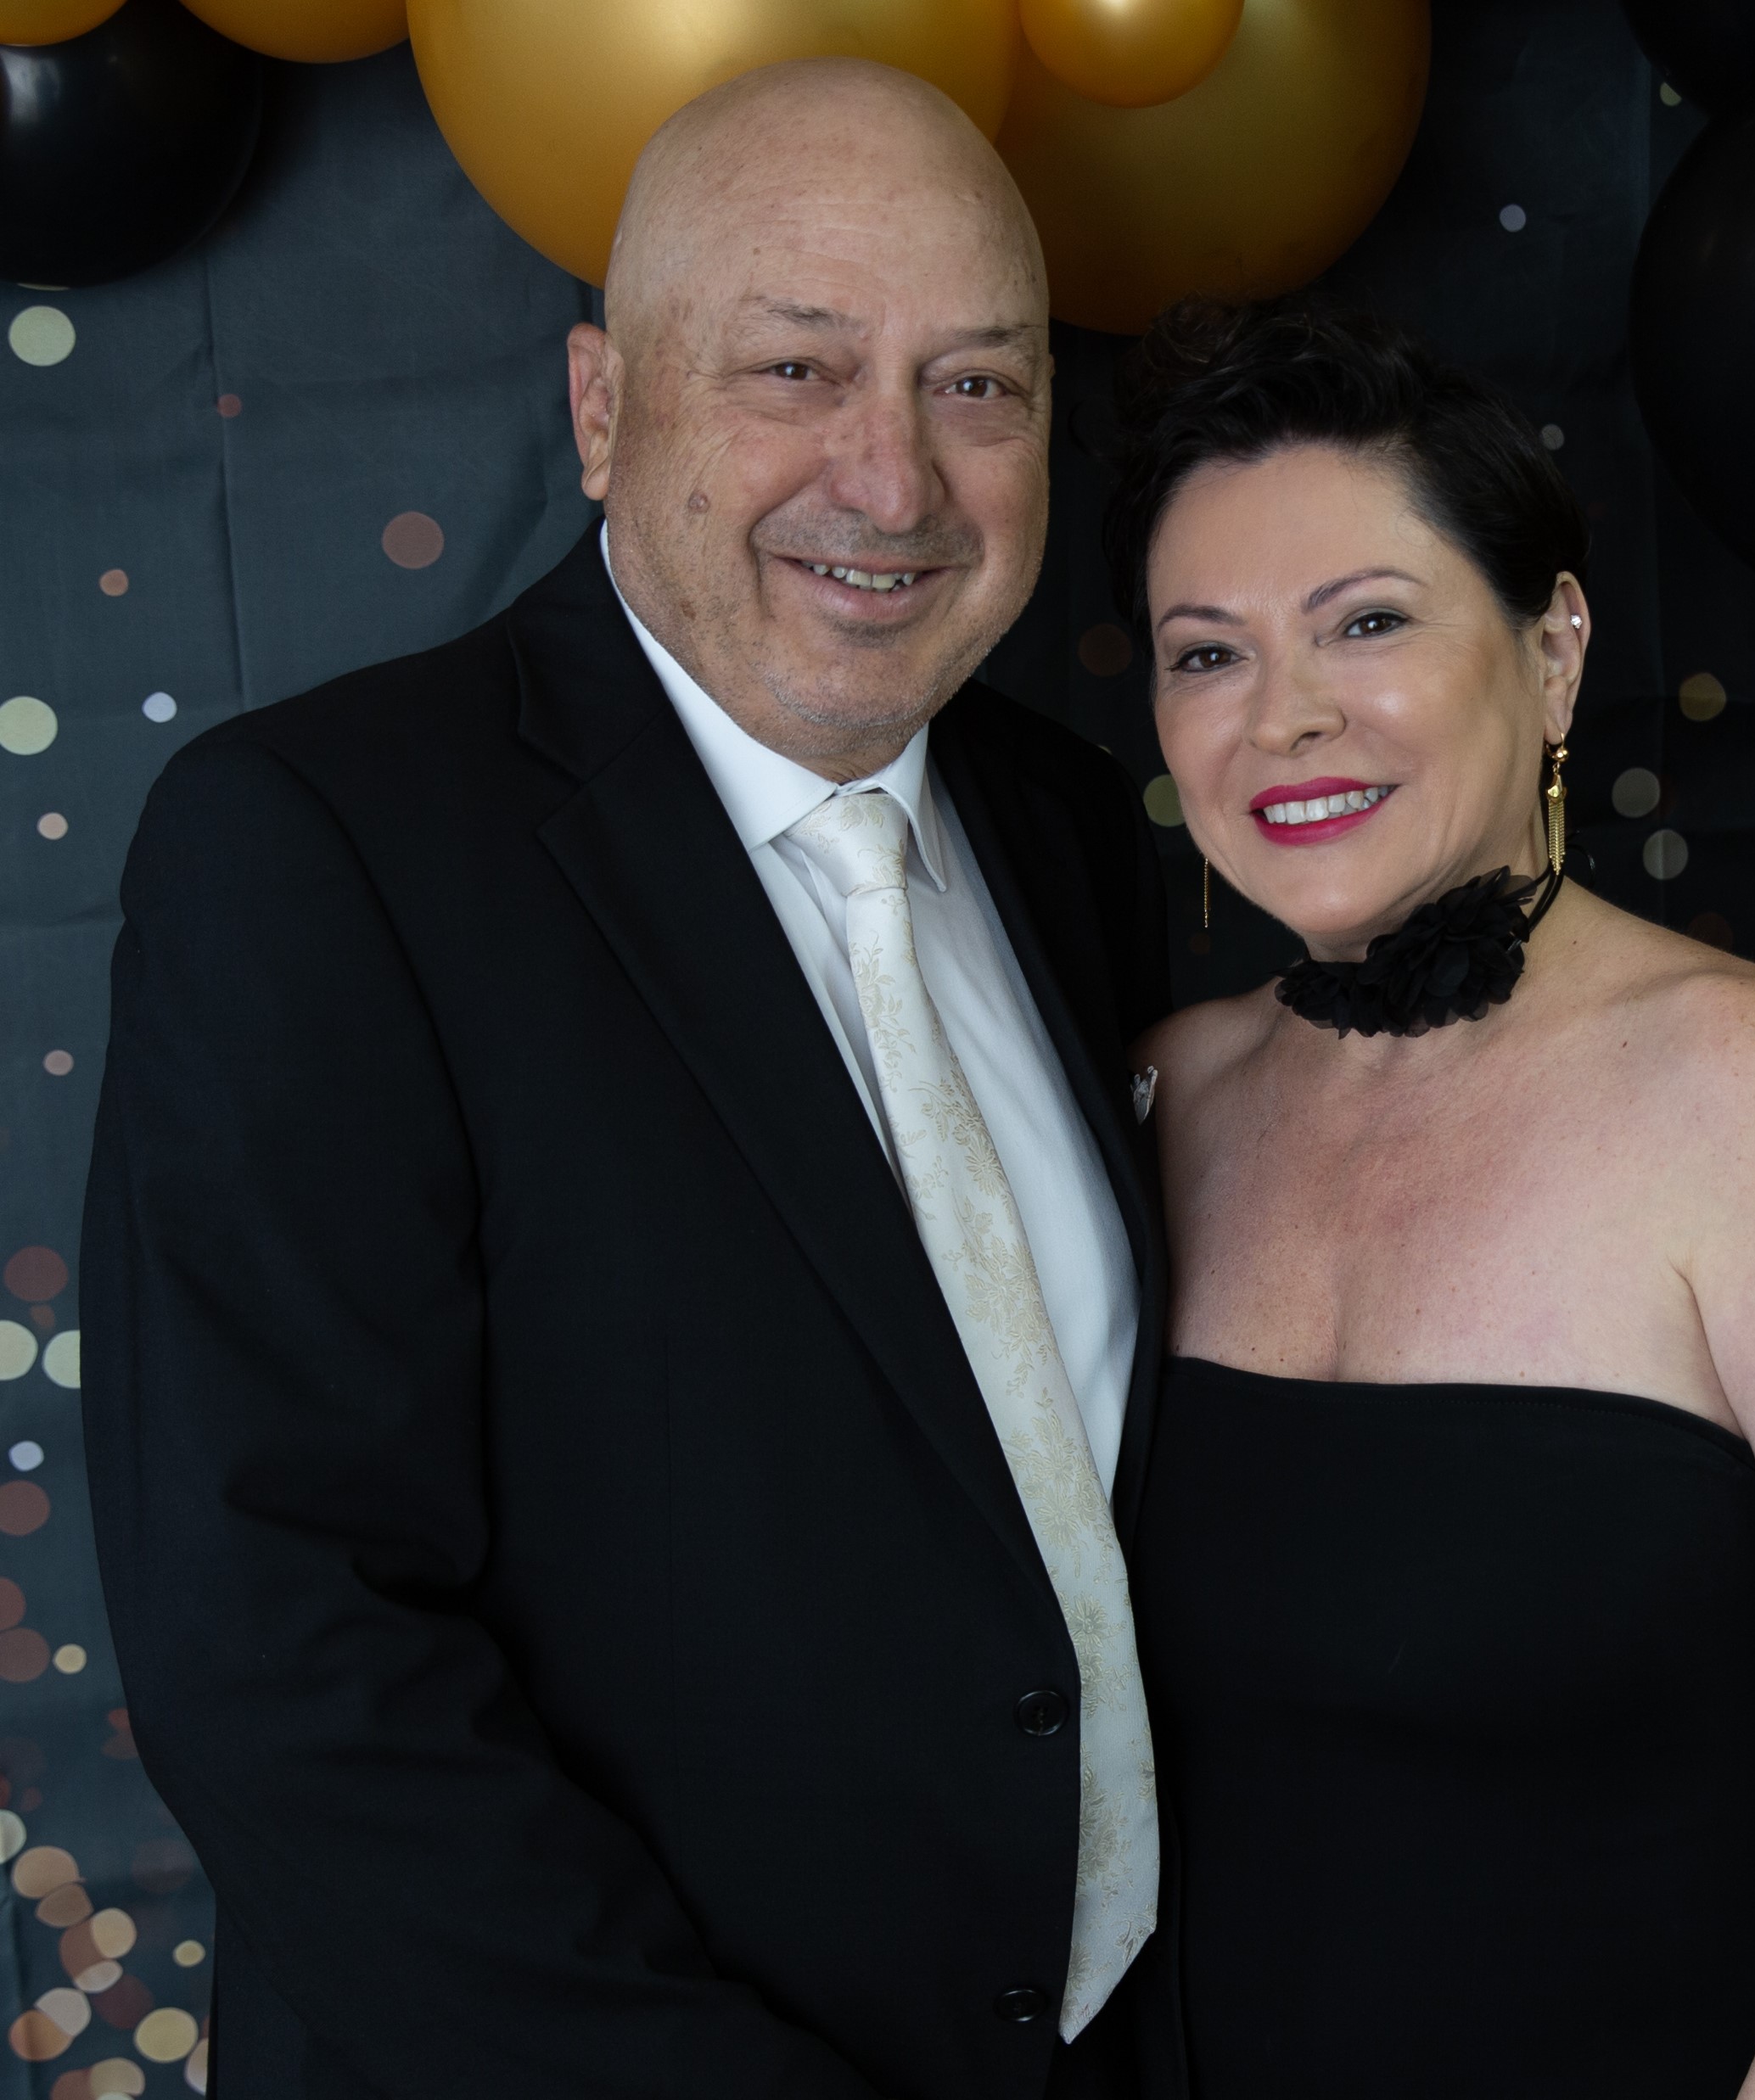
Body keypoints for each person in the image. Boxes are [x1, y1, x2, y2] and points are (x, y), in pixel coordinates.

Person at [82, 60, 1180, 2100]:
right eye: (794, 369)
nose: (892, 482)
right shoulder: (322, 847)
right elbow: (290, 1665)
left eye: (976, 384)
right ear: (602, 408)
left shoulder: (1068, 829)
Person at [1113, 300, 1755, 2099]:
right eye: (1206, 653)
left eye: (1365, 622)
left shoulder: (1743, 1086)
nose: (1283, 716)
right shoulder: (1159, 1096)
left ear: (1550, 652)